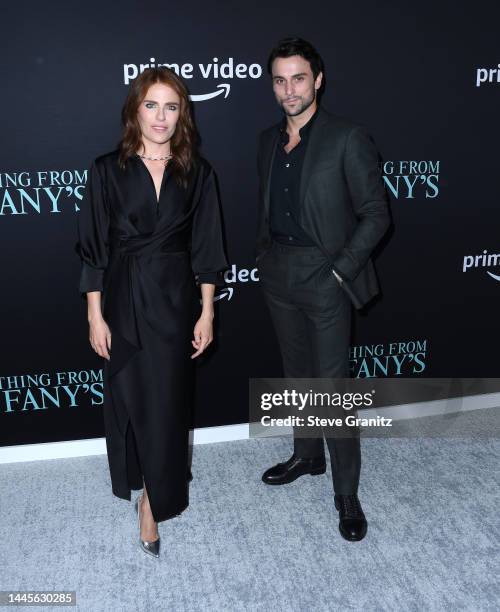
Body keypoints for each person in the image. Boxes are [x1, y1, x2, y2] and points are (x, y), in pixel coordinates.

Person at [75, 67, 228, 558]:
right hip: (121, 297)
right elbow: (94, 249)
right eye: (151, 105)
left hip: (175, 301)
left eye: (171, 106)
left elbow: (207, 249)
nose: (161, 116)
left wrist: (206, 312)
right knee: (129, 397)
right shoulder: (106, 169)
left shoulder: (198, 172)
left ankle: (154, 503)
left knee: (166, 403)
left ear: (182, 113)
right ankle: (139, 479)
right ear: (134, 110)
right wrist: (95, 316)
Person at [256, 38, 390, 541]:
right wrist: (264, 260)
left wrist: (339, 271)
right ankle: (308, 456)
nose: (289, 89)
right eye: (279, 80)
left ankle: (346, 493)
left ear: (318, 80)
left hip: (326, 275)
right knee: (297, 375)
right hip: (278, 272)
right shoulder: (266, 140)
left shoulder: (346, 137)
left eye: (298, 78)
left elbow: (377, 215)